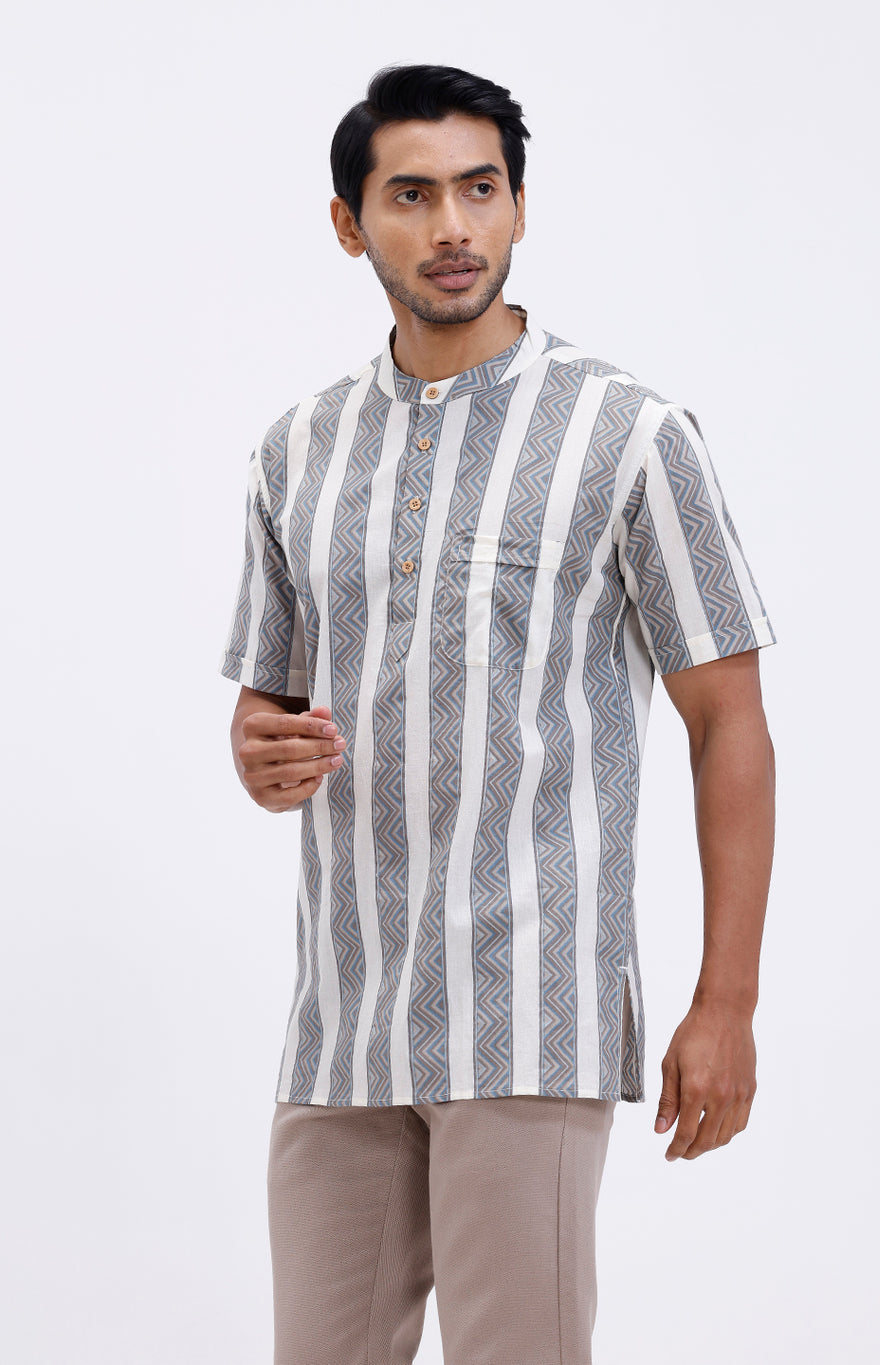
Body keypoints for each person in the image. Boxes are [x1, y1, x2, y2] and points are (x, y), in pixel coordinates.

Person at [221, 62, 776, 1365]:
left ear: (521, 207)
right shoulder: (295, 451)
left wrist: (726, 1003)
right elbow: (267, 709)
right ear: (351, 223)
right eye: (412, 196)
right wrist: (258, 756)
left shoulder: (629, 434)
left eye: (480, 190)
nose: (453, 227)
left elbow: (729, 721)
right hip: (342, 1023)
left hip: (532, 1011)